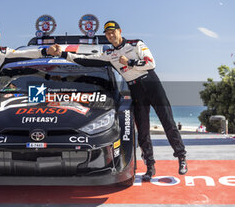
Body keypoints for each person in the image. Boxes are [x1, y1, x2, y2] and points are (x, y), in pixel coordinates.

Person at [52, 20, 188, 181]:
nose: (110, 36)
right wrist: (62, 54)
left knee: (168, 122)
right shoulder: (109, 54)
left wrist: (129, 62)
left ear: (120, 31)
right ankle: (150, 166)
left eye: (113, 32)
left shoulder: (136, 44)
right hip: (135, 89)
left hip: (152, 85)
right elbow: (85, 59)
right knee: (143, 130)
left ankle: (181, 157)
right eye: (107, 34)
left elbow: (151, 63)